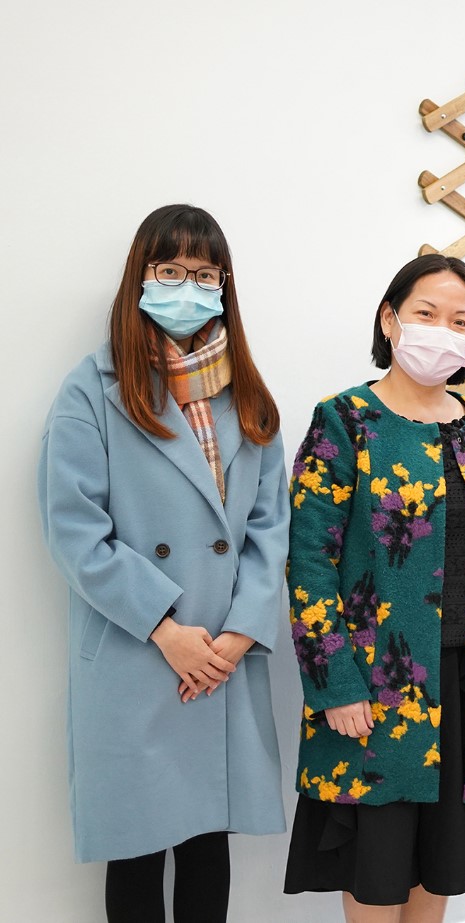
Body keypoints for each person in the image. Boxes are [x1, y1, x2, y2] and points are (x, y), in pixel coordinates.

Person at [38, 204, 287, 922]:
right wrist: (167, 629)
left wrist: (239, 633)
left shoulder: (247, 392)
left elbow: (270, 526)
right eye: (170, 270)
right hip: (140, 649)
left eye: (204, 275)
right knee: (137, 848)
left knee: (210, 843)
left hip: (222, 655)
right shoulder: (93, 389)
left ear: (224, 286)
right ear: (140, 278)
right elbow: (75, 529)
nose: (187, 287)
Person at [282, 253, 465, 923]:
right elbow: (309, 560)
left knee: (440, 864)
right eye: (426, 313)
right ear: (390, 319)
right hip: (374, 687)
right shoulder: (344, 420)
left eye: (461, 321)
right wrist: (335, 685)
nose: (444, 330)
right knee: (377, 870)